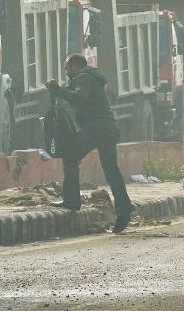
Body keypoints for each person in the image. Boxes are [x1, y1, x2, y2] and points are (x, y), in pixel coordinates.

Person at [48, 53, 133, 233]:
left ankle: (71, 201)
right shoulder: (92, 77)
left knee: (70, 156)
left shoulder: (83, 78)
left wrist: (59, 91)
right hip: (109, 127)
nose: (66, 72)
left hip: (95, 127)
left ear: (75, 66)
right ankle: (124, 209)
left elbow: (79, 98)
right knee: (112, 171)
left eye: (67, 68)